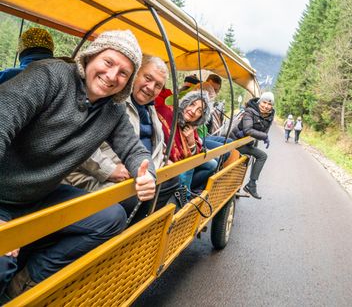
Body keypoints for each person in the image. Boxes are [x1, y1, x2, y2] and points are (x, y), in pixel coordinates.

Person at [0, 30, 156, 300]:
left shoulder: (113, 110)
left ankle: (26, 283)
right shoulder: (49, 75)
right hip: (2, 193)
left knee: (111, 218)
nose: (112, 76)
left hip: (41, 194)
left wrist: (146, 172)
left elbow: (133, 149)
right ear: (91, 57)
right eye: (108, 63)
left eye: (123, 73)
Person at [65, 55, 178, 222]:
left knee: (171, 180)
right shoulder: (112, 100)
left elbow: (151, 147)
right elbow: (78, 141)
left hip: (133, 173)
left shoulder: (150, 111)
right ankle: (127, 235)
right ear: (135, 74)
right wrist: (109, 169)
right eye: (148, 78)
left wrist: (161, 162)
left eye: (158, 86)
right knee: (134, 198)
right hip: (95, 174)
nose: (150, 88)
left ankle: (142, 227)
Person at [156, 91, 216, 193]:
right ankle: (184, 195)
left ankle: (189, 189)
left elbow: (197, 151)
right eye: (192, 104)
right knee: (188, 167)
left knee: (212, 164)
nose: (193, 111)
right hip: (167, 163)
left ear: (200, 117)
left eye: (199, 111)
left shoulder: (191, 125)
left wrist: (191, 142)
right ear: (185, 103)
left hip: (183, 164)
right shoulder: (168, 113)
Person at [230, 91, 275, 199]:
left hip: (247, 143)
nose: (266, 106)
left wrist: (262, 136)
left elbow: (264, 132)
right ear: (260, 102)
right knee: (237, 165)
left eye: (269, 104)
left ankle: (251, 184)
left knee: (262, 156)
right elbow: (248, 129)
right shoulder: (250, 111)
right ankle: (235, 187)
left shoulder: (270, 116)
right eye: (264, 102)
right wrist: (263, 136)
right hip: (236, 141)